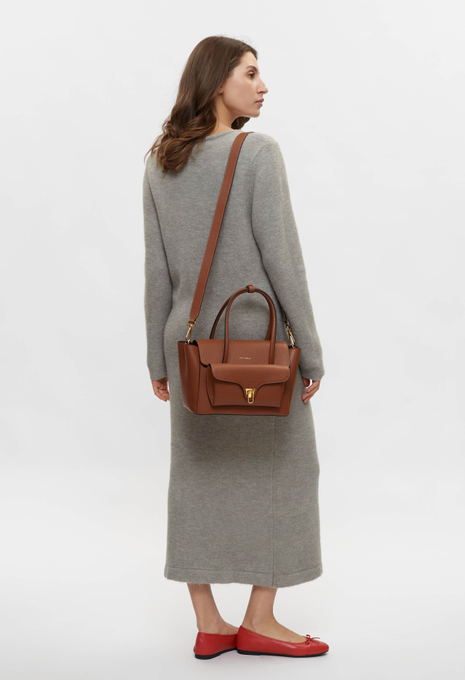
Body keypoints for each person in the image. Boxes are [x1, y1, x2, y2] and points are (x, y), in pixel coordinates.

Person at [143, 36, 329, 659]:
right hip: (256, 351)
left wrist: (156, 359)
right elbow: (284, 261)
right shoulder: (257, 153)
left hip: (188, 349)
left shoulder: (160, 162)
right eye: (250, 73)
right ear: (217, 80)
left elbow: (158, 271)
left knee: (195, 477)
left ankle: (210, 623)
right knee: (288, 471)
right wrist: (312, 349)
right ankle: (260, 620)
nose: (263, 85)